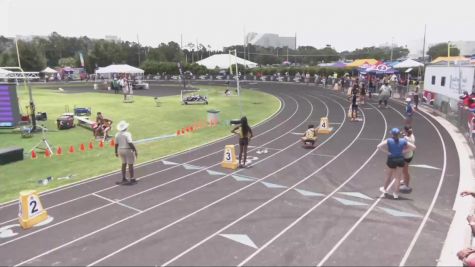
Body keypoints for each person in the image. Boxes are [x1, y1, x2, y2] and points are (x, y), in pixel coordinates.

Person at [377, 128, 416, 199]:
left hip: (391, 159)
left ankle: (384, 189)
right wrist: (404, 151)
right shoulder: (403, 141)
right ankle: (396, 193)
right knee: (398, 177)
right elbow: (413, 147)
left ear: (392, 134)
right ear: (398, 134)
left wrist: (387, 152)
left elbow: (379, 146)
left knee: (388, 175)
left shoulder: (388, 140)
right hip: (400, 159)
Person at [115, 121, 138, 185]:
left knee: (124, 163)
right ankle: (132, 178)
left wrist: (116, 152)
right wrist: (135, 150)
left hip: (120, 150)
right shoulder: (127, 134)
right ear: (125, 128)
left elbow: (116, 144)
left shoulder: (117, 134)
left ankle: (124, 178)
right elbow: (130, 142)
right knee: (130, 164)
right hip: (127, 150)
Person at [401, 126, 415, 193]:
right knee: (405, 170)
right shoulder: (412, 135)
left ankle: (406, 185)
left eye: (404, 131)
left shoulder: (405, 139)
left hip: (406, 156)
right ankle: (404, 181)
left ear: (406, 131)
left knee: (405, 171)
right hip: (410, 154)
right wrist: (404, 135)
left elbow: (404, 147)